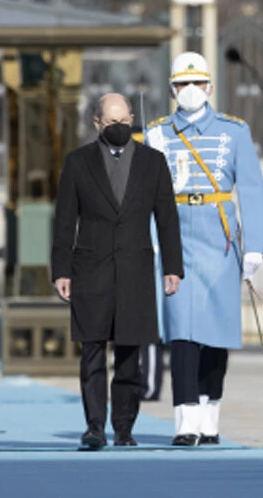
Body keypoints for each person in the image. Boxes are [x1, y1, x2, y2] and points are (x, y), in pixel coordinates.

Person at [143, 52, 263, 446]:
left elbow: (251, 189)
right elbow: (145, 192)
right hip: (175, 236)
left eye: (197, 83)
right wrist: (150, 241)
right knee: (180, 330)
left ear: (210, 87)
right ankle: (185, 421)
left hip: (220, 238)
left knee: (216, 331)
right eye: (182, 84)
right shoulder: (157, 133)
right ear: (171, 90)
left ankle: (209, 414)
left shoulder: (235, 131)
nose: (190, 90)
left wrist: (255, 247)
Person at [51, 93, 184, 449]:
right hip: (90, 270)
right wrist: (61, 270)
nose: (120, 128)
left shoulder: (153, 162)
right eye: (112, 122)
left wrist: (173, 267)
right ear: (97, 123)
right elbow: (64, 222)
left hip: (135, 270)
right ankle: (94, 427)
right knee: (92, 351)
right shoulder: (78, 162)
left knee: (129, 355)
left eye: (125, 121)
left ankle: (124, 428)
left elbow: (167, 218)